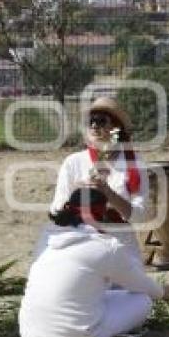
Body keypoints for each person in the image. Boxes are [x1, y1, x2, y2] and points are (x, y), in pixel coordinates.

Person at [19, 188, 169, 337]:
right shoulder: (104, 246)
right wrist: (164, 291)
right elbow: (141, 285)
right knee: (142, 300)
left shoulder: (46, 238)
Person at [47, 97, 146, 263]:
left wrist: (107, 192)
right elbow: (56, 210)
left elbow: (139, 216)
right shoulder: (74, 162)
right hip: (82, 246)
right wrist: (78, 196)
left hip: (120, 247)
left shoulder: (135, 165)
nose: (94, 126)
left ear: (115, 129)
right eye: (90, 121)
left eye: (100, 121)